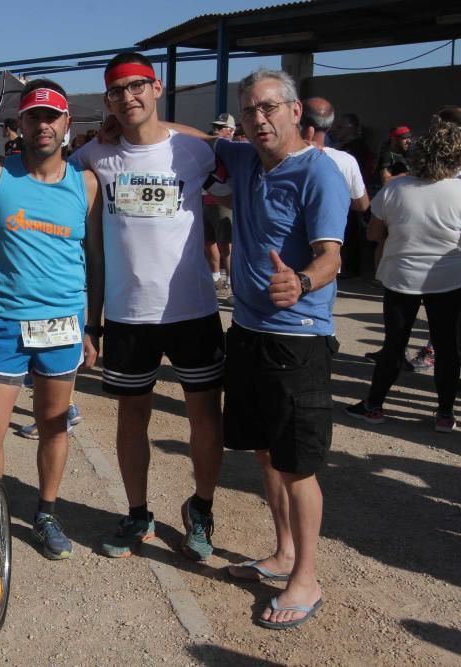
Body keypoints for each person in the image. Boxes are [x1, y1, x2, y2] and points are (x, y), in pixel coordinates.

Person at [184, 70, 347, 630]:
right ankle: (281, 553)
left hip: (298, 339)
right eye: (250, 110)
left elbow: (332, 257)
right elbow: (197, 140)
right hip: (249, 333)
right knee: (263, 452)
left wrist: (300, 282)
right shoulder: (249, 157)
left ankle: (306, 577)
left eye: (270, 108)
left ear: (295, 111)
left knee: (297, 465)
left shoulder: (319, 175)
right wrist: (126, 124)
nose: (259, 119)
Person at [74, 52, 228, 563]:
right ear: (108, 100)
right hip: (127, 315)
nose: (128, 97)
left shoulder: (194, 150)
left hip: (193, 312)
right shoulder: (96, 155)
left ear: (156, 88)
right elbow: (52, 180)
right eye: (117, 91)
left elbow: (234, 156)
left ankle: (201, 509)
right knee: (130, 417)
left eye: (137, 87)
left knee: (205, 418)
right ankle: (137, 512)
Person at [0, 79, 101, 560]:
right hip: (9, 320)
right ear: (22, 124)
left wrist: (95, 326)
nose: (44, 125)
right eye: (34, 116)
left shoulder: (87, 183)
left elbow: (95, 259)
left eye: (53, 116)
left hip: (63, 324)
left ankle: (47, 512)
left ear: (67, 123)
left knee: (54, 424)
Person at [344, 119, 461, 433]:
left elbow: (373, 232)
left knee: (395, 343)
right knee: (448, 346)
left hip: (401, 277)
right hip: (449, 279)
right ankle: (445, 415)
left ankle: (374, 406)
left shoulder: (396, 187)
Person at [300, 97, 370, 278]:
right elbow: (362, 204)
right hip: (327, 256)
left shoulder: (282, 157)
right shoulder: (346, 161)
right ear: (329, 126)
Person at [206, 113, 237, 298]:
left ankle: (233, 287)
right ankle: (215, 279)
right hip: (207, 200)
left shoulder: (233, 150)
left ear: (231, 130)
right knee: (208, 241)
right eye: (215, 126)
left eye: (221, 127)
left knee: (226, 245)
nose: (216, 130)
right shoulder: (211, 146)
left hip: (224, 202)